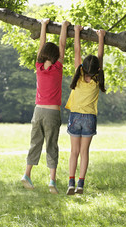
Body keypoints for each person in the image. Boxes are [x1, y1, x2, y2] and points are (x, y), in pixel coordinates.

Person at [21, 18, 70, 194]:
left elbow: (41, 45)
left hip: (38, 111)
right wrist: (64, 26)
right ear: (56, 55)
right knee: (51, 146)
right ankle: (52, 181)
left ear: (42, 54)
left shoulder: (39, 67)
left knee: (35, 144)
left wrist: (43, 25)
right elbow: (62, 45)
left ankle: (27, 175)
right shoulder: (57, 67)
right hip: (52, 113)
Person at [65, 25, 106, 195]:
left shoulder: (79, 77)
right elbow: (100, 56)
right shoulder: (97, 80)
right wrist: (101, 36)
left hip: (75, 117)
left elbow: (77, 52)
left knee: (74, 152)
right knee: (84, 152)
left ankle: (71, 183)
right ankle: (81, 184)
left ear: (82, 67)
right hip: (89, 119)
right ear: (97, 69)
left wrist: (76, 32)